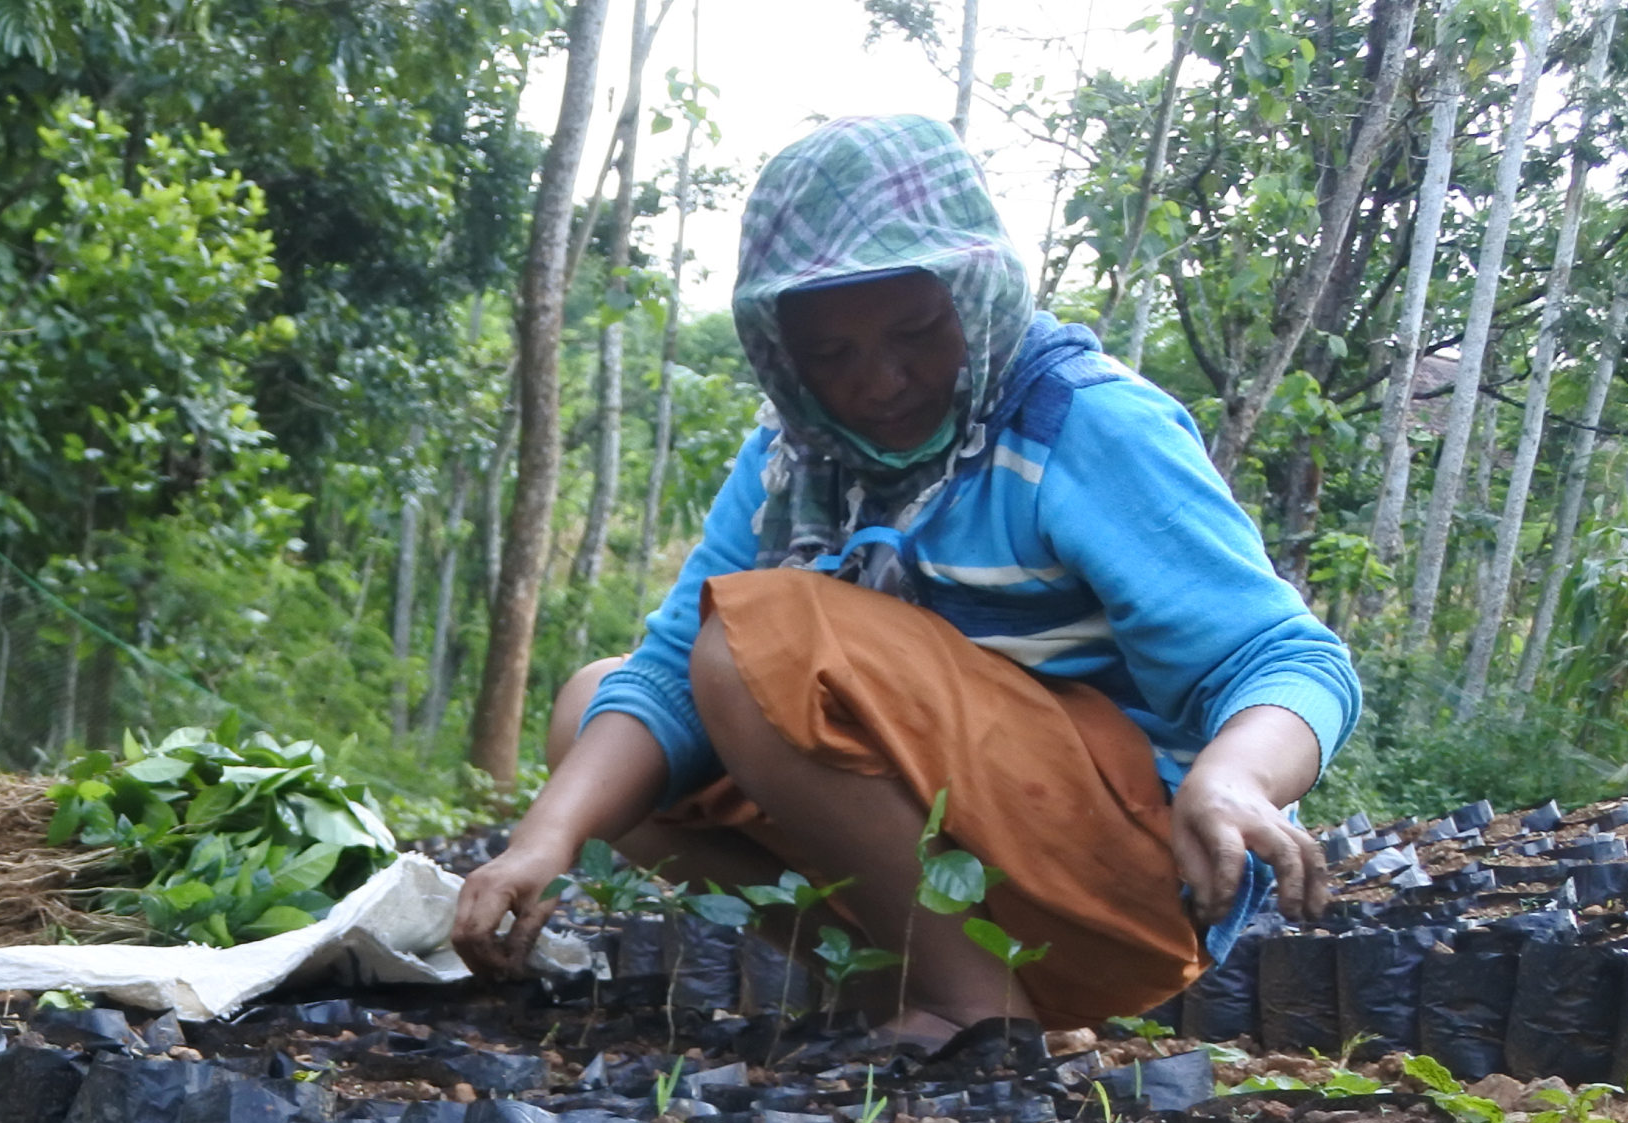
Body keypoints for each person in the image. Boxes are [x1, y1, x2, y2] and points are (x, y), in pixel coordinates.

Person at [453, 115, 1357, 1046]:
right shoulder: (789, 463)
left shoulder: (1080, 424)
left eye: (916, 332)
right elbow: (669, 668)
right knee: (595, 710)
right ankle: (924, 980)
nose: (880, 380)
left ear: (975, 294)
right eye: (832, 356)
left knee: (766, 636)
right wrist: (542, 842)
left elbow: (1288, 657)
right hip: (990, 869)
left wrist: (1236, 781)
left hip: (1128, 868)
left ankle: (977, 1017)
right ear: (783, 352)